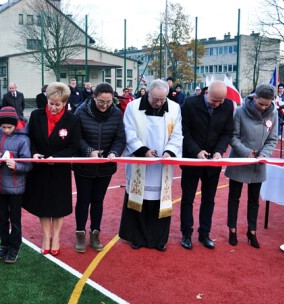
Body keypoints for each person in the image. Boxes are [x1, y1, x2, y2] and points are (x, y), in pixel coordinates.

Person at [119, 79, 183, 252]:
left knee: (159, 202)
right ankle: (137, 238)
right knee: (140, 199)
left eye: (163, 99)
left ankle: (159, 239)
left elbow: (178, 134)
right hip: (141, 161)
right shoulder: (133, 107)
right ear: (147, 92)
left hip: (163, 164)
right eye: (156, 99)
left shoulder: (174, 108)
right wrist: (143, 150)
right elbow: (129, 131)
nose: (159, 103)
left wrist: (169, 152)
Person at [22, 82, 81, 256]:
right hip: (39, 168)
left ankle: (56, 238)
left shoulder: (72, 120)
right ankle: (45, 237)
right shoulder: (36, 115)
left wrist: (57, 157)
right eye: (51, 103)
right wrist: (33, 154)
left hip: (59, 169)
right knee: (43, 204)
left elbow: (74, 146)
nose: (53, 107)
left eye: (58, 104)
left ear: (65, 103)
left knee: (58, 205)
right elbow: (29, 139)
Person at [179, 81, 234, 250]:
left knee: (209, 200)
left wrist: (219, 151)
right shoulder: (189, 103)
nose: (217, 104)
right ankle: (186, 234)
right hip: (192, 159)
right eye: (214, 101)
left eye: (220, 101)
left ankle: (204, 234)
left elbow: (227, 133)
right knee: (188, 199)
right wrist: (196, 151)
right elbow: (184, 132)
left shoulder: (228, 105)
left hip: (213, 162)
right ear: (206, 93)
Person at [73, 82, 126, 253]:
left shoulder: (117, 114)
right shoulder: (81, 111)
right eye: (101, 101)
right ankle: (80, 233)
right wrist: (89, 151)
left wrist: (114, 152)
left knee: (98, 200)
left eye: (108, 102)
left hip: (105, 167)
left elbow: (120, 138)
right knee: (83, 199)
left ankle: (95, 234)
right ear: (94, 97)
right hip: (84, 166)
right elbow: (76, 137)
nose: (104, 105)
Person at [225, 83, 278, 249]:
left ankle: (252, 231)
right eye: (260, 103)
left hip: (258, 163)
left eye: (266, 104)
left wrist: (264, 155)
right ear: (254, 97)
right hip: (240, 160)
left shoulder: (273, 113)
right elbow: (233, 137)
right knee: (234, 197)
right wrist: (246, 152)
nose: (263, 107)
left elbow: (272, 139)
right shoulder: (240, 112)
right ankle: (232, 230)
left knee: (254, 200)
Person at [0, 107, 32, 263]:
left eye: (10, 127)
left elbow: (28, 164)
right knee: (2, 218)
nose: (6, 130)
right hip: (0, 185)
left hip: (16, 187)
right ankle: (4, 244)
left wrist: (16, 166)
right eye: (3, 127)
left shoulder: (23, 139)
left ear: (16, 125)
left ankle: (14, 247)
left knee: (15, 219)